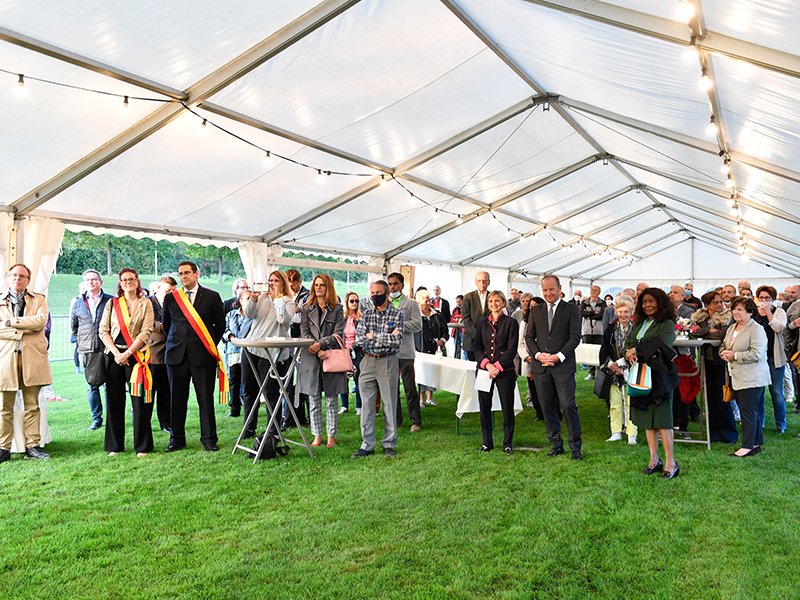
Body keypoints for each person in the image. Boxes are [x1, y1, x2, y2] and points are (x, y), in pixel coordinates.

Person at [162, 261, 226, 452]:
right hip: (176, 356)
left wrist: (207, 344)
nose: (184, 277)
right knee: (176, 399)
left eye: (187, 273)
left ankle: (209, 439)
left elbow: (219, 325)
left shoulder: (212, 296)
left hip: (203, 355)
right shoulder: (171, 298)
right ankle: (177, 440)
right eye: (181, 274)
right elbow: (167, 326)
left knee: (205, 399)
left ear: (197, 274)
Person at [525, 274, 583, 460]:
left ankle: (575, 447)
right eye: (545, 290)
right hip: (541, 366)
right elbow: (529, 337)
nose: (548, 293)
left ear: (559, 288)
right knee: (547, 406)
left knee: (567, 405)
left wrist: (558, 357)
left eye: (551, 289)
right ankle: (556, 444)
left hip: (563, 366)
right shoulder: (536, 310)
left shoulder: (572, 309)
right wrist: (537, 355)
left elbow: (575, 337)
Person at [624, 288, 680, 479]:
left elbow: (663, 346)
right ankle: (654, 460)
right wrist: (629, 352)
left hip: (659, 377)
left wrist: (637, 351)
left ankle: (671, 463)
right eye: (644, 302)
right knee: (648, 421)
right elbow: (628, 343)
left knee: (663, 421)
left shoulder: (667, 323)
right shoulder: (640, 323)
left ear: (660, 302)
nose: (647, 305)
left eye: (651, 301)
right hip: (640, 375)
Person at [98, 268, 155, 457]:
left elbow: (146, 331)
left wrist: (128, 353)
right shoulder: (111, 304)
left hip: (136, 357)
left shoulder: (146, 303)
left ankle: (142, 446)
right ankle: (115, 445)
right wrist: (116, 353)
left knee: (139, 402)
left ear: (137, 282)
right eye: (124, 279)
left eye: (131, 279)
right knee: (114, 401)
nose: (128, 282)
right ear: (120, 283)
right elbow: (103, 331)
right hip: (114, 356)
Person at [0, 264, 52, 462]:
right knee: (4, 408)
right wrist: (24, 328)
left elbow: (40, 322)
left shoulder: (39, 299)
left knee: (32, 406)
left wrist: (9, 323)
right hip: (5, 360)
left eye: (22, 276)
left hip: (32, 360)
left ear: (28, 280)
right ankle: (3, 448)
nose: (17, 279)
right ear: (8, 278)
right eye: (13, 275)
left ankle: (33, 446)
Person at [351, 280, 404, 458]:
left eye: (378, 292)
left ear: (387, 294)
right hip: (367, 360)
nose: (374, 296)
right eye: (372, 292)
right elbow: (359, 340)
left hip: (388, 362)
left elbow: (397, 340)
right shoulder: (365, 315)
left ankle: (389, 443)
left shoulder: (397, 315)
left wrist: (373, 335)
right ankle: (367, 445)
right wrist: (384, 337)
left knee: (389, 404)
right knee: (366, 405)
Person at [240, 270, 295, 439]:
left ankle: (273, 430)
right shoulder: (262, 298)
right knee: (249, 390)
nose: (272, 283)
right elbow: (249, 315)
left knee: (271, 393)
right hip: (251, 349)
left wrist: (278, 297)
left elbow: (283, 319)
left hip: (272, 352)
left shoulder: (288, 301)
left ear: (283, 283)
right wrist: (254, 298)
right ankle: (248, 429)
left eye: (276, 280)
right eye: (270, 280)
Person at [297, 274, 346, 448]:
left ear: (328, 288)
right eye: (316, 285)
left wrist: (322, 345)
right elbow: (304, 332)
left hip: (331, 357)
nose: (318, 288)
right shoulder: (306, 308)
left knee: (332, 400)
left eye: (322, 285)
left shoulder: (338, 309)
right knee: (313, 399)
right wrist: (317, 349)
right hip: (311, 358)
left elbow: (339, 333)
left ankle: (331, 436)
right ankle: (317, 435)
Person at [720, 297, 769, 456]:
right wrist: (724, 353)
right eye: (734, 309)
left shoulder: (756, 329)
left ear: (750, 312)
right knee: (749, 410)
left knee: (748, 411)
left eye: (740, 309)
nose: (735, 312)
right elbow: (725, 344)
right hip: (737, 376)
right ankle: (755, 444)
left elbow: (757, 353)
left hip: (752, 377)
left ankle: (747, 447)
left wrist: (735, 355)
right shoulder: (732, 327)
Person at [474, 291, 519, 454]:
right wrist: (487, 365)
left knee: (507, 407)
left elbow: (511, 348)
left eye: (497, 301)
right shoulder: (482, 323)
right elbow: (477, 347)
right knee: (484, 407)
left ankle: (507, 443)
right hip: (485, 370)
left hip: (505, 370)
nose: (494, 304)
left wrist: (497, 367)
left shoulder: (511, 322)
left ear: (504, 303)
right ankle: (487, 442)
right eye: (491, 301)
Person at [691, 291, 738, 444]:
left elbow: (723, 336)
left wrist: (704, 334)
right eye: (715, 302)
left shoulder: (727, 316)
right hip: (707, 360)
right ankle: (715, 432)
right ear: (707, 305)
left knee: (722, 398)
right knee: (710, 397)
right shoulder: (702, 316)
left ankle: (729, 433)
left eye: (720, 302)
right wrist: (710, 331)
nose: (719, 305)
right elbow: (693, 333)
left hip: (721, 361)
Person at [70, 269, 114, 430]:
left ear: (100, 282)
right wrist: (83, 342)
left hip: (107, 349)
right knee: (92, 386)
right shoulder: (78, 303)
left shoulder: (111, 301)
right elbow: (74, 327)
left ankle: (111, 418)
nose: (90, 282)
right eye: (87, 280)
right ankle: (97, 419)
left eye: (94, 279)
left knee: (109, 386)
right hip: (87, 350)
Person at [599, 297, 638, 444]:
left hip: (631, 369)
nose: (623, 315)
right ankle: (616, 432)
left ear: (631, 312)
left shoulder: (636, 329)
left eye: (626, 312)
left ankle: (631, 433)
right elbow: (603, 350)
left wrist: (623, 364)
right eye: (620, 312)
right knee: (615, 402)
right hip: (613, 371)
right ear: (616, 312)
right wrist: (611, 365)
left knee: (631, 402)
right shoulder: (610, 329)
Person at [387, 272, 423, 432]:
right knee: (391, 387)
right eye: (390, 284)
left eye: (395, 284)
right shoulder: (385, 303)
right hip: (388, 351)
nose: (392, 287)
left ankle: (415, 421)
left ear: (402, 285)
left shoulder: (411, 303)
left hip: (406, 351)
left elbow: (417, 325)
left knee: (409, 387)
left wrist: (398, 326)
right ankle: (396, 420)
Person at [753, 285, 788, 434]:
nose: (764, 300)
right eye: (761, 297)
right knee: (759, 391)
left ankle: (781, 424)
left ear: (773, 299)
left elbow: (779, 328)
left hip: (774, 357)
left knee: (776, 391)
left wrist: (768, 313)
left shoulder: (779, 312)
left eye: (767, 297)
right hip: (758, 358)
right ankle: (760, 422)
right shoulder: (754, 313)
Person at [148, 275, 176, 433]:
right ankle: (145, 421)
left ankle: (166, 422)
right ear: (158, 288)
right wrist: (164, 326)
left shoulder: (175, 302)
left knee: (166, 391)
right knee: (149, 391)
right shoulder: (147, 302)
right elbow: (145, 323)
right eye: (167, 290)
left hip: (170, 352)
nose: (170, 293)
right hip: (152, 353)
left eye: (173, 290)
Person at [283, 269, 310, 428]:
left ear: (300, 282)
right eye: (289, 283)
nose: (291, 286)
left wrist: (291, 312)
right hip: (287, 342)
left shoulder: (307, 295)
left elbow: (303, 316)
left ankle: (306, 417)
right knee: (287, 381)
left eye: (294, 283)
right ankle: (291, 417)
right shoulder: (285, 294)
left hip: (301, 341)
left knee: (303, 380)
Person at [414, 289, 449, 406]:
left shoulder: (437, 315)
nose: (428, 303)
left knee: (433, 372)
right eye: (425, 300)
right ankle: (421, 398)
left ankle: (430, 397)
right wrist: (413, 347)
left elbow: (445, 331)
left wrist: (442, 341)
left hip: (435, 350)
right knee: (422, 372)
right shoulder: (415, 316)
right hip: (420, 349)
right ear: (418, 302)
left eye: (429, 300)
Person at [221, 288, 251, 421]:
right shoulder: (231, 314)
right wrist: (231, 337)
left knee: (247, 381)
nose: (250, 301)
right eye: (247, 298)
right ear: (240, 300)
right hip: (233, 351)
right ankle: (234, 409)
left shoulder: (254, 316)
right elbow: (224, 329)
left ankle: (248, 409)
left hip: (249, 351)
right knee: (233, 380)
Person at [516, 294, 544, 419]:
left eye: (535, 305)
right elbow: (521, 343)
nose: (532, 307)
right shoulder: (524, 322)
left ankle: (552, 413)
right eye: (530, 305)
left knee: (546, 388)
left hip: (543, 359)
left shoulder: (547, 321)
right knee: (533, 388)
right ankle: (539, 413)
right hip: (529, 361)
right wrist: (527, 357)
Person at [339, 291, 362, 415]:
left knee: (358, 379)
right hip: (343, 352)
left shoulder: (360, 318)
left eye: (357, 301)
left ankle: (359, 406)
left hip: (356, 352)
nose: (354, 303)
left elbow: (362, 337)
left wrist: (353, 348)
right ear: (346, 302)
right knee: (343, 379)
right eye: (352, 301)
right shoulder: (341, 318)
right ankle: (344, 406)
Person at [462, 271, 491, 362]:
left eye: (484, 280)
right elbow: (466, 318)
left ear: (488, 282)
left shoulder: (493, 297)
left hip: (489, 339)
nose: (482, 283)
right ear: (476, 282)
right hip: (472, 339)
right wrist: (477, 335)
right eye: (479, 280)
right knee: (472, 368)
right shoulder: (468, 297)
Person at [580, 285, 604, 380]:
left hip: (599, 331)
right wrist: (594, 313)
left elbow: (602, 315)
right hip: (587, 331)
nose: (593, 292)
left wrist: (589, 315)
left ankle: (600, 372)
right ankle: (591, 373)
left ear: (599, 292)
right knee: (589, 353)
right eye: (592, 290)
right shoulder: (584, 302)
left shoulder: (602, 303)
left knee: (599, 352)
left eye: (595, 290)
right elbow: (582, 313)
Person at [451, 295, 464, 359]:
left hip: (464, 331)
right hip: (456, 330)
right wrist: (455, 320)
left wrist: (460, 317)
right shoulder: (455, 310)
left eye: (460, 301)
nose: (458, 303)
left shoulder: (466, 309)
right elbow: (451, 319)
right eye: (457, 302)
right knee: (457, 348)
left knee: (465, 349)